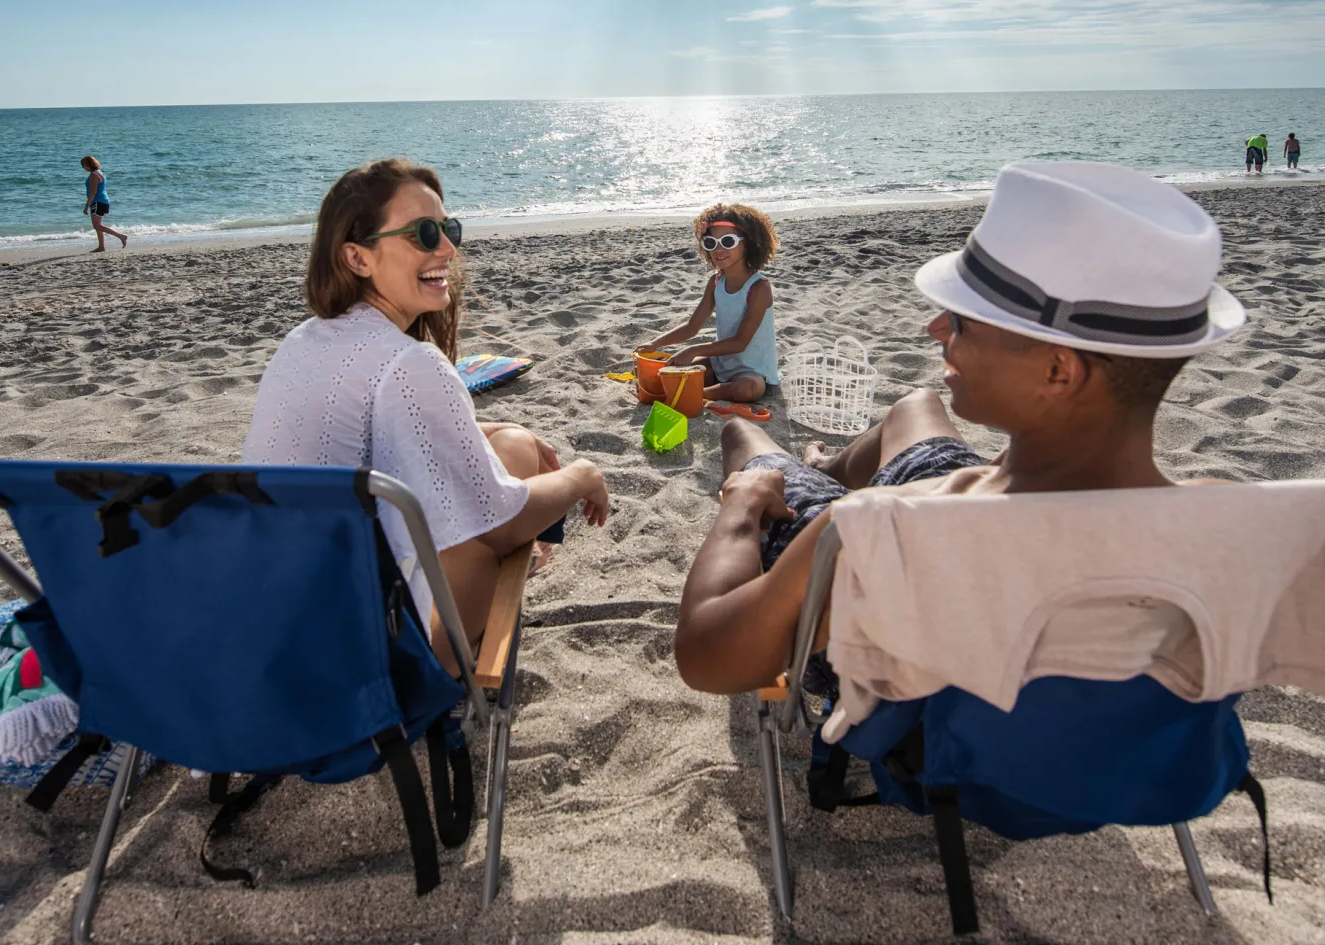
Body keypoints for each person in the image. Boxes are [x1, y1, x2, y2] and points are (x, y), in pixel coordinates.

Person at [674, 160, 1246, 695]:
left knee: (744, 439)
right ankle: (827, 466)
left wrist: (742, 508)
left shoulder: (888, 527)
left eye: (966, 321)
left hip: (894, 599)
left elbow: (706, 654)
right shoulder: (1218, 524)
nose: (934, 326)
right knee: (916, 404)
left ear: (1058, 369)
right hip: (1002, 503)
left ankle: (790, 476)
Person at [243, 158, 610, 671]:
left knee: (513, 444)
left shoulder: (304, 341)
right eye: (424, 233)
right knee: (512, 503)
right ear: (357, 257)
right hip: (370, 659)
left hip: (283, 627)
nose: (448, 248)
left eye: (448, 229)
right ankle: (469, 645)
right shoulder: (409, 361)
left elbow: (377, 430)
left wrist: (500, 427)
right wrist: (583, 476)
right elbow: (505, 524)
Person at [638, 203, 780, 405]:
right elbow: (692, 326)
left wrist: (694, 350)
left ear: (746, 243)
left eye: (728, 241)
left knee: (747, 390)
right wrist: (656, 343)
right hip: (721, 362)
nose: (719, 249)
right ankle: (689, 390)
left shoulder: (758, 288)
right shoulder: (716, 282)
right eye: (711, 243)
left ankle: (697, 394)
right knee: (672, 370)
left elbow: (740, 343)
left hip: (753, 372)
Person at [80, 155, 127, 252]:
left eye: (83, 165)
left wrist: (86, 206)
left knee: (97, 225)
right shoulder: (100, 173)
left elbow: (93, 192)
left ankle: (121, 236)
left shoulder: (94, 175)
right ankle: (101, 246)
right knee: (98, 225)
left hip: (97, 201)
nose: (83, 168)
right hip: (102, 201)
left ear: (88, 165)